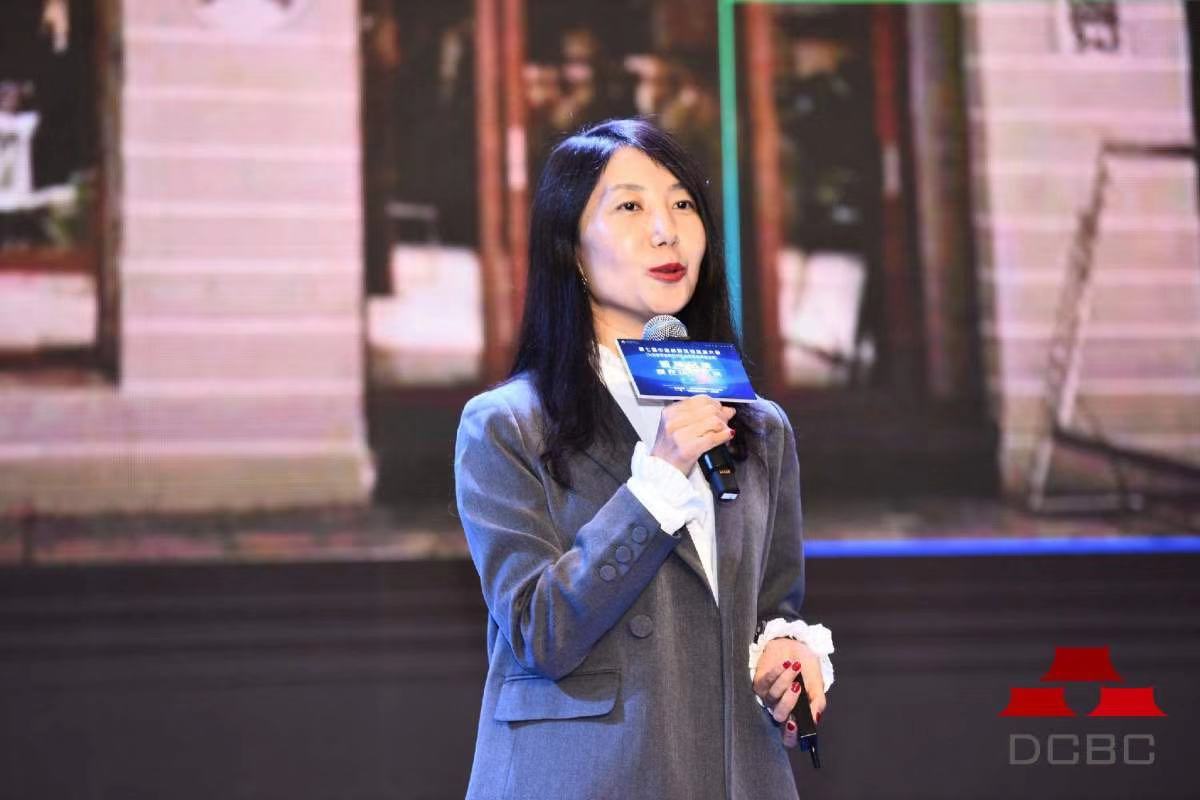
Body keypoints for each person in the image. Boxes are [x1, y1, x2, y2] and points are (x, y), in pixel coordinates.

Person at [454, 118, 834, 800]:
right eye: (630, 206)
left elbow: (771, 603)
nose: (667, 231)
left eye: (682, 204)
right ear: (571, 248)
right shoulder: (507, 425)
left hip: (734, 775)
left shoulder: (758, 427)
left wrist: (784, 652)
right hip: (589, 778)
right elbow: (540, 632)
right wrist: (657, 480)